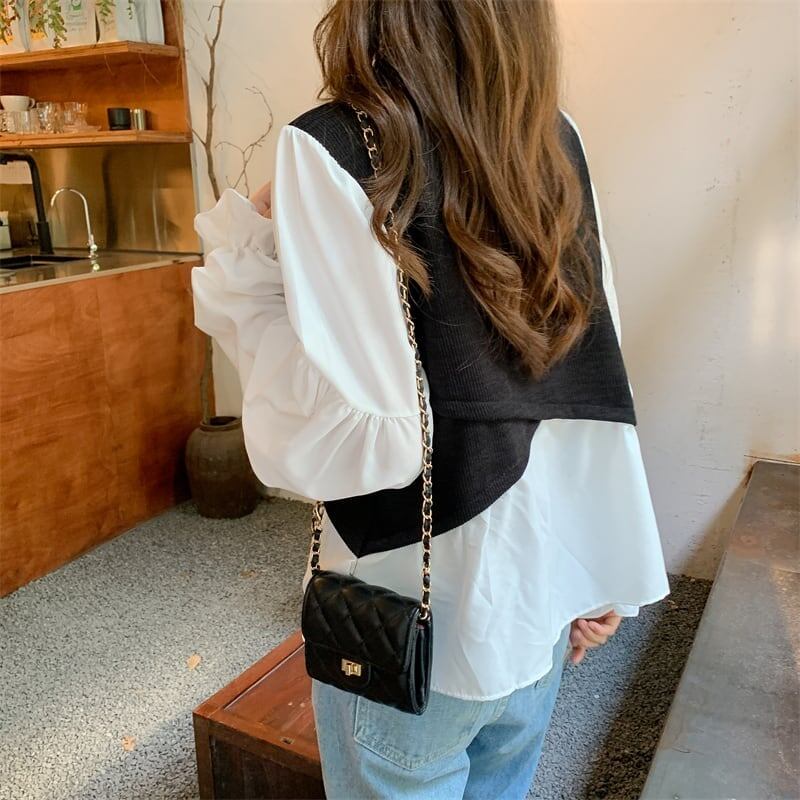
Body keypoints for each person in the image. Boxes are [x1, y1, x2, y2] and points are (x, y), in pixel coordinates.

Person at [191, 1, 670, 797]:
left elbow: (348, 439)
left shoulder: (335, 143)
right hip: (538, 594)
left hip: (415, 610)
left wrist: (254, 257)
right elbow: (589, 369)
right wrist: (599, 574)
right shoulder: (555, 134)